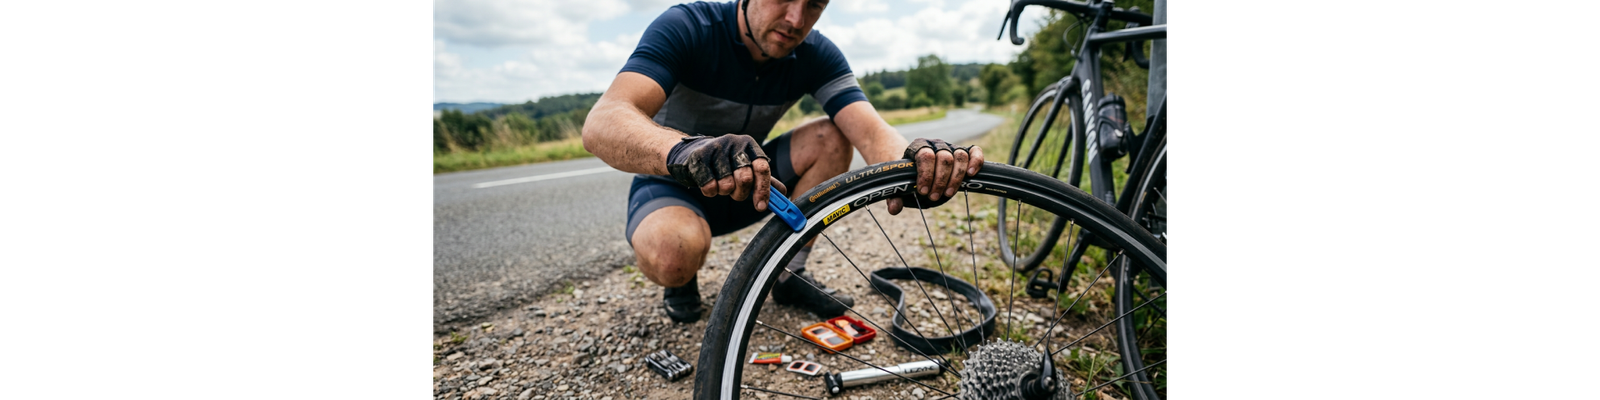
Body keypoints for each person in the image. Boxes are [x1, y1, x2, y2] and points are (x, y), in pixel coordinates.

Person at [582, 0, 984, 323]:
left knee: (831, 134)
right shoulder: (688, 25)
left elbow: (870, 130)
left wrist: (918, 163)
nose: (795, 18)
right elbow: (603, 121)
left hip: (753, 181)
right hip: (675, 180)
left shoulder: (815, 53)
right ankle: (682, 279)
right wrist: (687, 151)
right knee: (674, 256)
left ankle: (790, 274)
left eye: (814, 4)